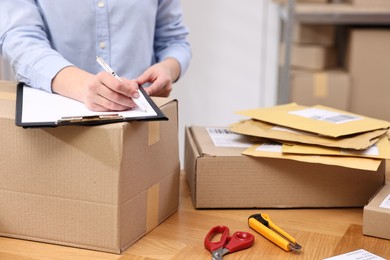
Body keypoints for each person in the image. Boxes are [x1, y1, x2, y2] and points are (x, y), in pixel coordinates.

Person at [0, 0, 191, 112]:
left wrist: (168, 68)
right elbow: (19, 38)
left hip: (139, 119)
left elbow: (174, 41)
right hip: (57, 125)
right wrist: (81, 85)